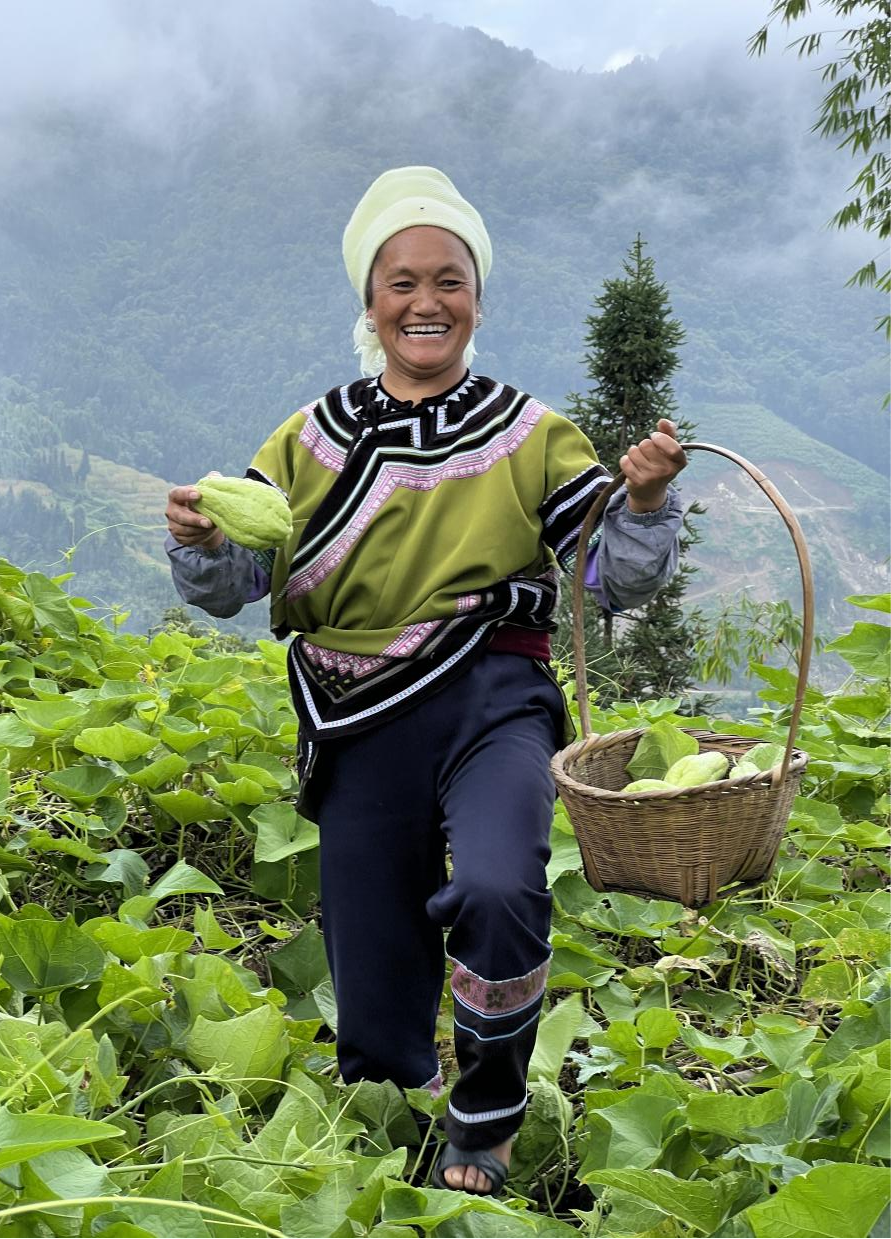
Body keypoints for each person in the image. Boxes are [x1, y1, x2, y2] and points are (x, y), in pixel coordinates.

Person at [164, 166, 685, 1196]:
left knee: (498, 884)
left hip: (493, 692)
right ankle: (388, 1112)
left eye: (448, 279)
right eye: (401, 281)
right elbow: (235, 584)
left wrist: (643, 501)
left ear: (476, 301)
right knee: (373, 935)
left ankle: (484, 1121)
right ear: (369, 301)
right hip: (355, 708)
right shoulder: (308, 439)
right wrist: (199, 537)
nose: (425, 301)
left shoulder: (532, 436)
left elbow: (607, 576)